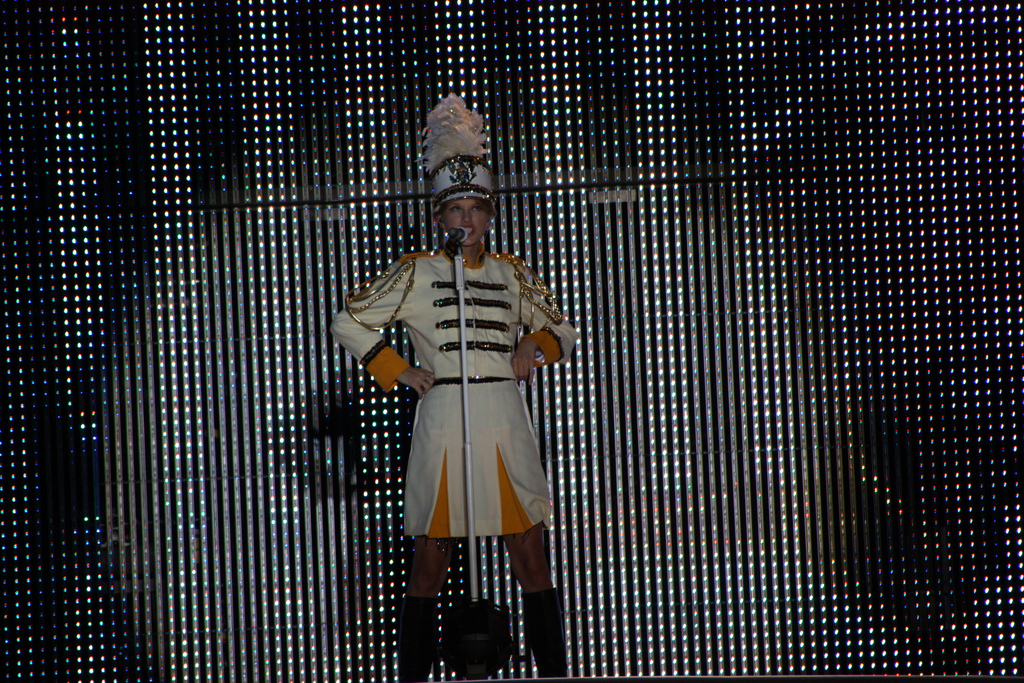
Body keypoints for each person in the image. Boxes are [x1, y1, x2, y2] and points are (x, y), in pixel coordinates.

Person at [330, 94, 577, 681]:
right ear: (439, 217)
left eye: (476, 209)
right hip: (443, 417)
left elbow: (562, 329)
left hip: (503, 415)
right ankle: (414, 681)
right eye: (455, 210)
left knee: (529, 551)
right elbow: (348, 320)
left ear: (489, 215)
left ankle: (556, 678)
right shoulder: (416, 270)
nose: (467, 219)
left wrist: (531, 344)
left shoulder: (512, 272)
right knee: (431, 559)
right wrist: (398, 369)